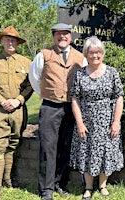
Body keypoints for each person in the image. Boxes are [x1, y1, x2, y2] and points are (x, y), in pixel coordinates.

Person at [29, 23, 87, 200]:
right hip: (50, 107)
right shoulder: (43, 55)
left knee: (65, 147)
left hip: (71, 108)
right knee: (48, 147)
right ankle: (46, 189)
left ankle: (59, 183)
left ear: (71, 37)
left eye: (66, 34)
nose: (62, 37)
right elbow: (34, 78)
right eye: (59, 34)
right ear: (54, 36)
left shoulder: (80, 57)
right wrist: (47, 94)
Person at [69, 36, 124, 200]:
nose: (95, 56)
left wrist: (116, 122)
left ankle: (102, 185)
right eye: (91, 52)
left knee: (105, 153)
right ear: (86, 54)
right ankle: (88, 187)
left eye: (98, 52)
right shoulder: (79, 74)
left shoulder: (112, 72)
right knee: (87, 152)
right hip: (87, 122)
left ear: (103, 53)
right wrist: (79, 123)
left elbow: (119, 97)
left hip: (107, 122)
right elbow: (74, 99)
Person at [0, 26, 33, 200]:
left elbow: (30, 85)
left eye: (14, 40)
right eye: (7, 39)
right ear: (1, 41)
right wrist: (1, 100)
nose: (10, 42)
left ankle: (7, 180)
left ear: (18, 43)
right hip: (0, 111)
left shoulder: (26, 62)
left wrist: (18, 99)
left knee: (13, 144)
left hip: (18, 110)